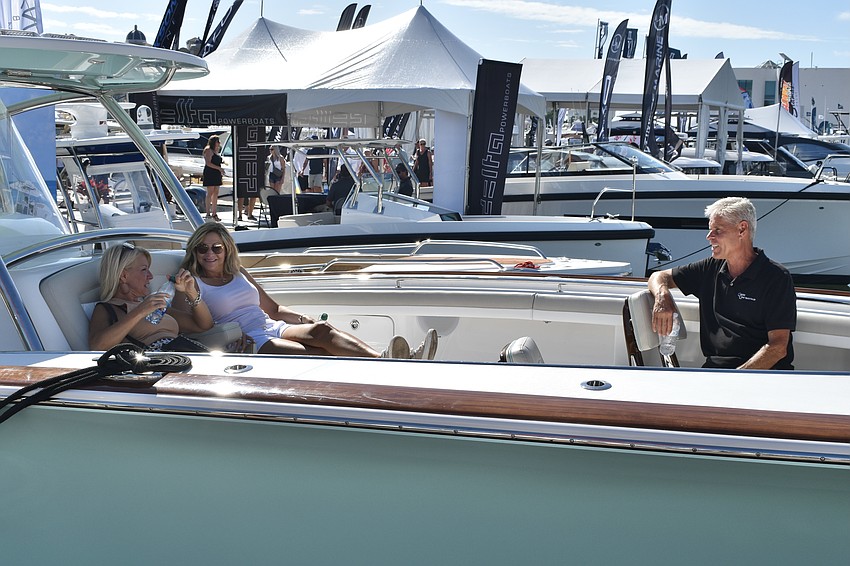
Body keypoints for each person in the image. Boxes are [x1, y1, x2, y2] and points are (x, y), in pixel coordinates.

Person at [179, 222, 439, 359]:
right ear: (195, 252)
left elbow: (273, 309)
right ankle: (394, 364)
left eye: (216, 248)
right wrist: (223, 343)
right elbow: (190, 326)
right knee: (314, 353)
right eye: (203, 248)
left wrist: (305, 320)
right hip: (248, 339)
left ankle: (386, 360)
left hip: (270, 325)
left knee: (321, 331)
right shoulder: (191, 283)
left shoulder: (237, 272)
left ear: (227, 249)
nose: (210, 254)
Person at [648, 197, 796, 369]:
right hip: (717, 374)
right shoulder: (710, 268)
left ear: (742, 229)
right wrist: (662, 296)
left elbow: (778, 347)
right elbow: (658, 276)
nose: (709, 237)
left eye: (717, 230)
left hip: (763, 378)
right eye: (710, 230)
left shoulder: (776, 277)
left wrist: (736, 379)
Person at [88, 243, 214, 351]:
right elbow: (97, 346)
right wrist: (140, 311)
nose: (151, 276)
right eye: (144, 270)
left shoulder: (151, 305)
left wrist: (191, 293)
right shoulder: (109, 308)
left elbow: (203, 325)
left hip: (183, 354)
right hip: (160, 364)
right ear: (123, 276)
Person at [202, 134, 225, 221]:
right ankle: (208, 213)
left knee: (216, 193)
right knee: (210, 192)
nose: (219, 143)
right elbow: (208, 163)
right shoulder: (208, 150)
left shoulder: (216, 151)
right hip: (210, 172)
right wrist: (219, 168)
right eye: (217, 142)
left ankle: (214, 213)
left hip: (216, 173)